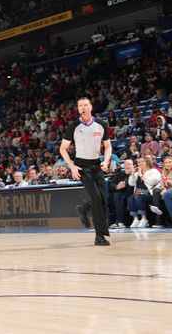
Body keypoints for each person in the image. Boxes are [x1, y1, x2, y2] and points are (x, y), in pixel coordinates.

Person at [60, 97, 113, 246]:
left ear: (91, 107)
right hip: (82, 166)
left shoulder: (101, 125)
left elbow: (108, 146)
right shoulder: (74, 126)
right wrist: (72, 166)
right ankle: (99, 236)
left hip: (97, 165)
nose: (83, 107)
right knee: (96, 199)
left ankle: (83, 209)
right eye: (80, 106)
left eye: (85, 105)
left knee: (103, 200)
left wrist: (106, 160)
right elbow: (63, 148)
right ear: (78, 109)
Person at [127, 157, 162, 228]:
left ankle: (144, 219)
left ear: (147, 163)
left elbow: (152, 182)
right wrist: (132, 174)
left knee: (139, 196)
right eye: (138, 162)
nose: (140, 163)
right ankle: (136, 219)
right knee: (131, 198)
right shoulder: (137, 174)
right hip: (139, 193)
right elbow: (131, 184)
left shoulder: (153, 171)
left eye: (142, 161)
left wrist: (141, 175)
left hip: (150, 194)